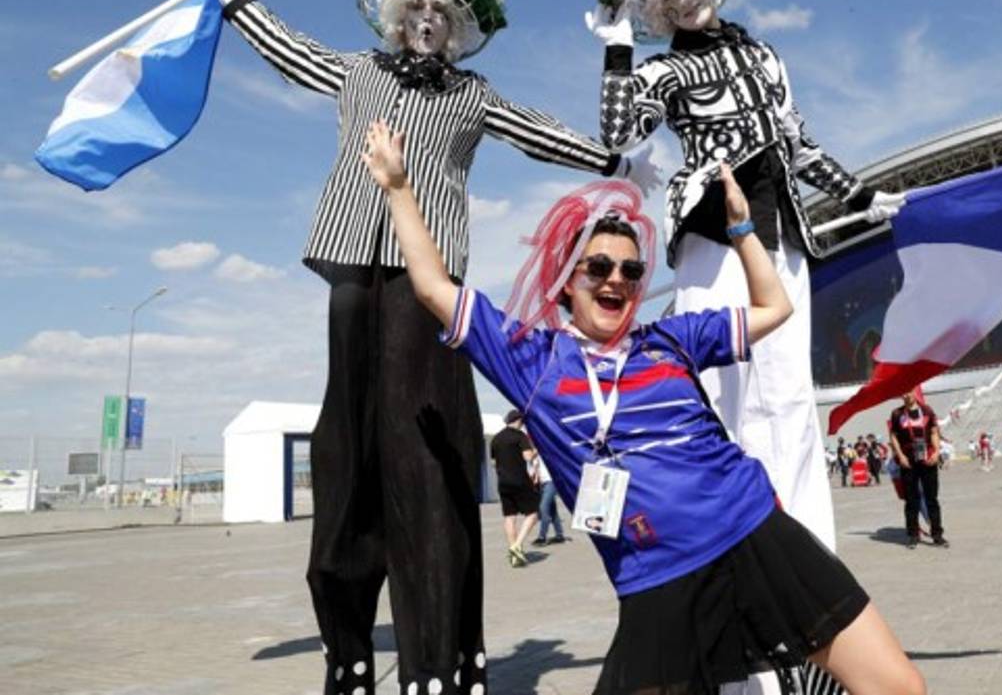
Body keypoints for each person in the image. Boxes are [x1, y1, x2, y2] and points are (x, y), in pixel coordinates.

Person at [204, 0, 661, 695]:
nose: (425, 22)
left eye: (442, 14)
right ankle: (348, 651)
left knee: (422, 455)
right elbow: (297, 56)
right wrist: (233, 1)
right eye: (416, 8)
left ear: (457, 28)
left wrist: (613, 158)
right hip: (353, 267)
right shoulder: (357, 72)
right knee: (346, 456)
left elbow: (538, 131)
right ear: (397, 14)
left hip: (429, 282)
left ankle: (439, 660)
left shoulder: (472, 95)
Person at [362, 121, 926, 695]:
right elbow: (433, 287)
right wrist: (399, 189)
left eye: (631, 271)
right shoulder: (532, 361)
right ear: (566, 283)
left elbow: (773, 306)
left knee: (899, 688)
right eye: (598, 267)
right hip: (657, 580)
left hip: (757, 534)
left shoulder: (671, 339)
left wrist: (741, 229)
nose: (617, 280)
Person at [575, 0, 904, 558]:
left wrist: (861, 196)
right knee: (730, 403)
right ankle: (745, 559)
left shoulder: (764, 55)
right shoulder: (664, 72)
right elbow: (616, 135)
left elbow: (798, 143)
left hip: (783, 241)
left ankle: (813, 562)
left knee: (789, 402)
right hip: (715, 243)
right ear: (654, 7)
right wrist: (615, 45)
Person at [888, 391, 947, 549]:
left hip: (928, 459)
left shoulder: (927, 410)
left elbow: (934, 432)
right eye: (904, 392)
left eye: (910, 391)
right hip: (908, 461)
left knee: (931, 499)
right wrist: (901, 456)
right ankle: (913, 535)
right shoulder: (897, 414)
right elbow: (893, 436)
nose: (906, 395)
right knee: (911, 500)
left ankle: (937, 534)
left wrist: (936, 452)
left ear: (915, 391)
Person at [491, 410, 541, 566]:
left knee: (509, 517)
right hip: (519, 480)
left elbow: (493, 463)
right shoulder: (520, 436)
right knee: (533, 514)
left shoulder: (496, 438)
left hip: (503, 482)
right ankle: (517, 545)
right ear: (519, 421)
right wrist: (538, 450)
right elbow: (528, 457)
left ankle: (514, 553)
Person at [531, 439, 567, 546]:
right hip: (542, 485)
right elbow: (534, 472)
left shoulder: (546, 452)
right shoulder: (534, 458)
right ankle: (559, 535)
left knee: (543, 508)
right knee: (553, 510)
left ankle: (542, 537)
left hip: (551, 482)